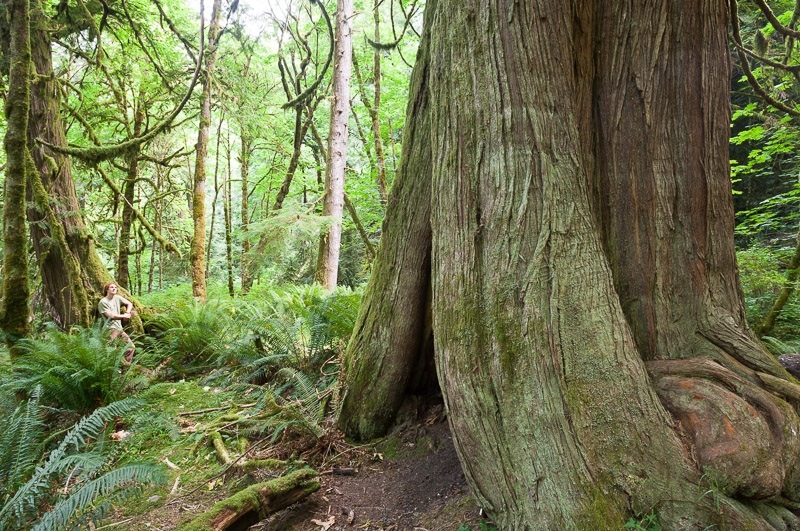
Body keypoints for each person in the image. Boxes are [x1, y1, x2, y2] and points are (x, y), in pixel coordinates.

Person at [98, 282, 135, 362]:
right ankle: (114, 371)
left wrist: (127, 312)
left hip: (119, 328)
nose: (114, 288)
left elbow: (129, 303)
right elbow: (110, 315)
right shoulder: (103, 302)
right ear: (107, 290)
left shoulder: (117, 298)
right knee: (112, 351)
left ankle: (125, 367)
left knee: (131, 347)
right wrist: (124, 316)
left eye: (115, 287)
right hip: (110, 329)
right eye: (111, 287)